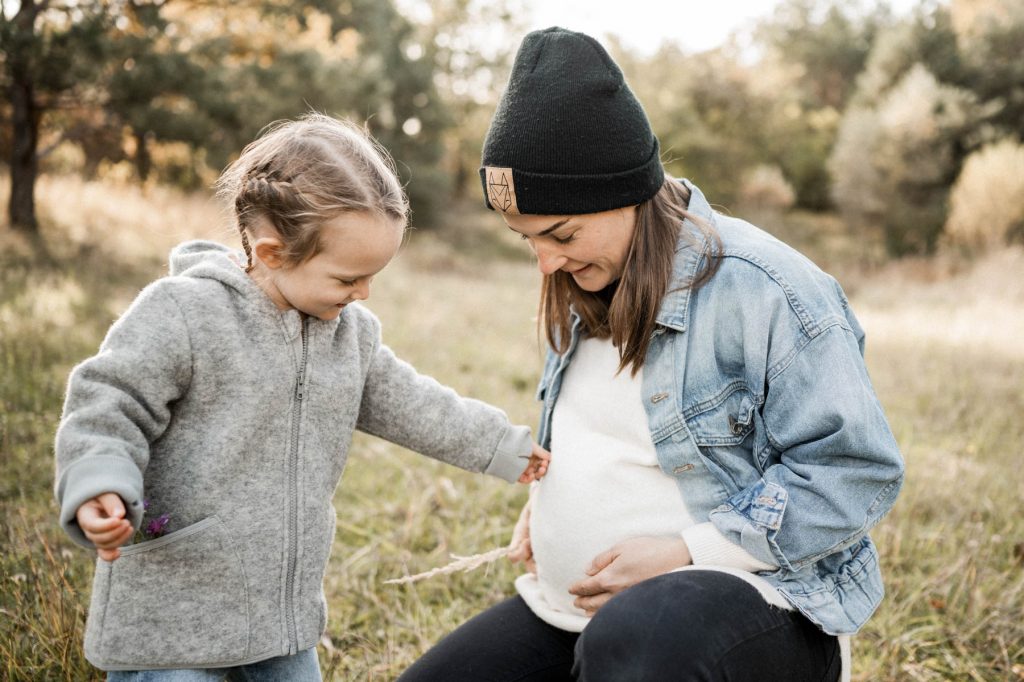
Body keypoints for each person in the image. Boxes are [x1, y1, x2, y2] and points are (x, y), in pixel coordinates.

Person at [398, 27, 903, 682]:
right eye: (527, 240)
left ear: (624, 192)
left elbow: (854, 471)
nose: (546, 260)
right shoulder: (587, 281)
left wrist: (686, 553)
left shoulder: (766, 289)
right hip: (572, 616)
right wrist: (552, 506)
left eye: (560, 233)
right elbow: (617, 435)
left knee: (638, 643)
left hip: (751, 615)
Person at [53, 113, 549, 680]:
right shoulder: (185, 314)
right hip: (176, 611)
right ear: (272, 253)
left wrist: (504, 447)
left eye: (372, 277)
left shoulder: (349, 336)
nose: (363, 293)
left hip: (281, 616)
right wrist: (98, 479)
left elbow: (417, 405)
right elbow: (108, 399)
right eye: (347, 278)